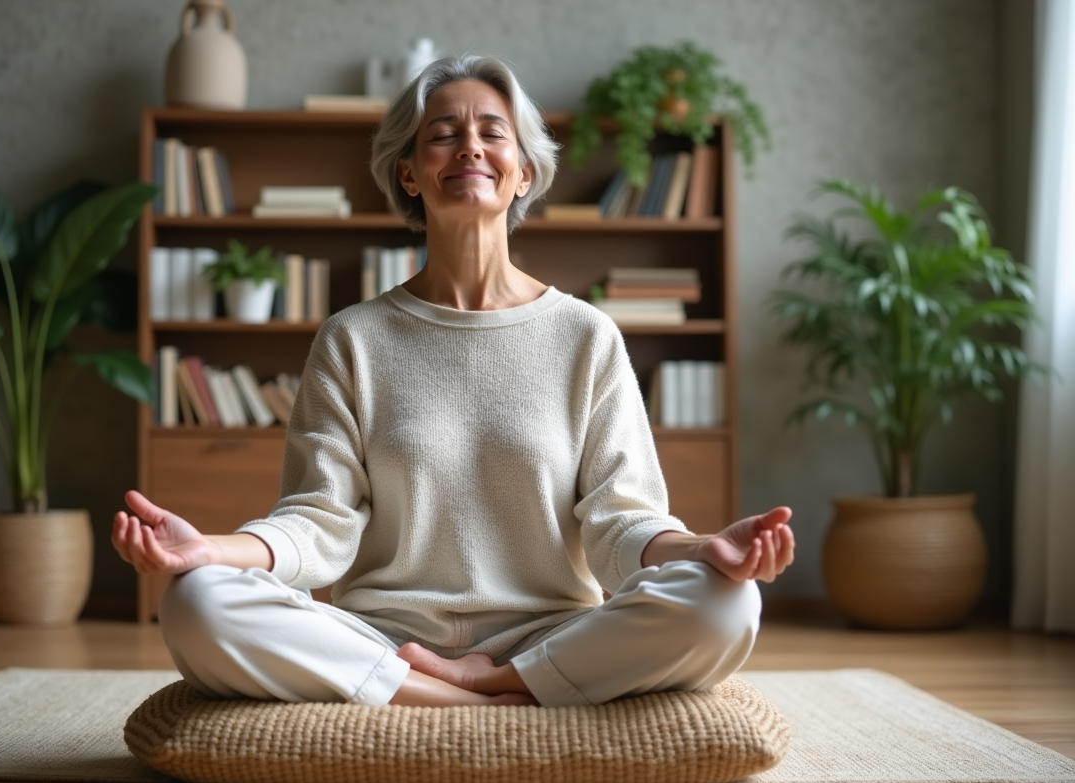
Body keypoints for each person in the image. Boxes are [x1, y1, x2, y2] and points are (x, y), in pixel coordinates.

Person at [113, 55, 794, 709]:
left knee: (728, 601)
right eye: (443, 135)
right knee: (198, 601)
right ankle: (470, 693)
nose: (469, 147)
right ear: (409, 174)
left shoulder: (587, 337)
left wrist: (709, 549)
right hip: (384, 637)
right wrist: (209, 550)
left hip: (550, 632)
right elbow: (318, 522)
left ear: (524, 172)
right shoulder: (353, 339)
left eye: (491, 132)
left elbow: (624, 524)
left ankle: (495, 682)